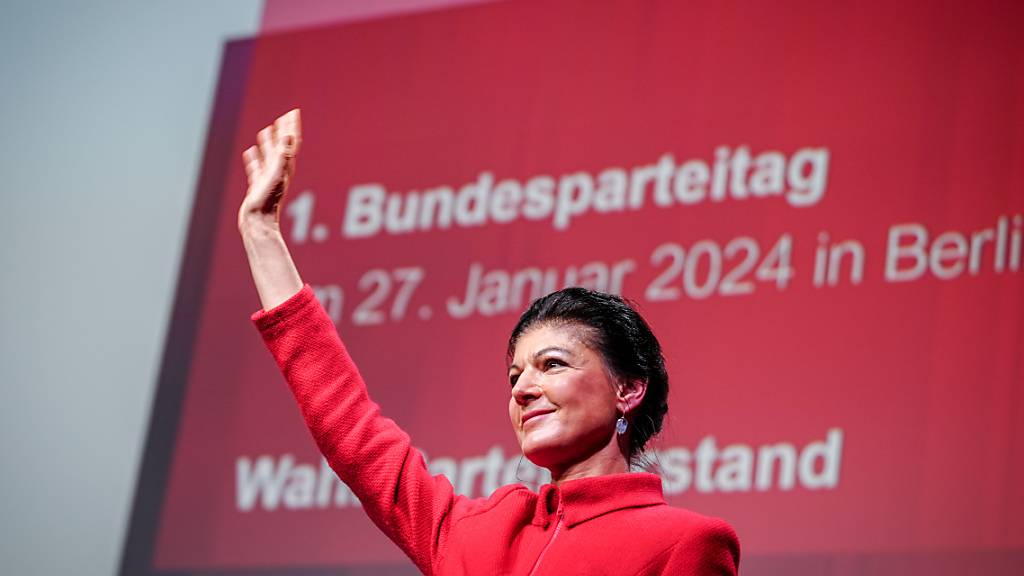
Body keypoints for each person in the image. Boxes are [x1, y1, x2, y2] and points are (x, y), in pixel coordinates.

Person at [239, 110, 740, 575]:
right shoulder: (473, 533)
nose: (523, 390)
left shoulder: (688, 543)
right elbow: (349, 427)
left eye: (553, 365)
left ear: (628, 390)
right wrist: (260, 232)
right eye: (515, 376)